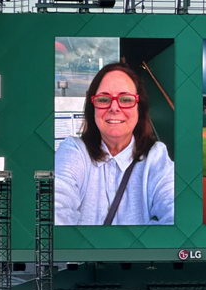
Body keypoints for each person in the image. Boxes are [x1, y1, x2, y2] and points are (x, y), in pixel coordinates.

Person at [55, 62, 174, 225]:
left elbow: (176, 215)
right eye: (103, 99)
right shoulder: (74, 150)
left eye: (126, 99)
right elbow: (55, 207)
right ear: (93, 108)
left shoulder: (156, 156)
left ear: (139, 108)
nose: (114, 107)